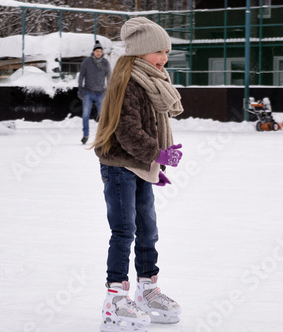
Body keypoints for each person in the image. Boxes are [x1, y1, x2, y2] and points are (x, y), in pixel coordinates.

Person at [90, 17, 183, 332]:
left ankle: (147, 290)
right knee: (124, 230)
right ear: (142, 51)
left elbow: (152, 126)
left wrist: (158, 161)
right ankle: (115, 298)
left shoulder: (150, 78)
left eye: (167, 52)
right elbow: (128, 132)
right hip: (119, 165)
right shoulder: (127, 80)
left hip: (141, 164)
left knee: (148, 228)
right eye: (160, 51)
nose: (164, 58)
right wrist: (158, 154)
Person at [78, 40, 111, 144]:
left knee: (102, 116)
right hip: (88, 92)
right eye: (97, 51)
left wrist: (109, 90)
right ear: (93, 52)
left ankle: (102, 136)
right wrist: (80, 89)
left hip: (101, 92)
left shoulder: (105, 62)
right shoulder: (87, 62)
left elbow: (109, 76)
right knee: (85, 114)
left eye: (100, 51)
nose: (99, 53)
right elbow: (81, 76)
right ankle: (85, 135)